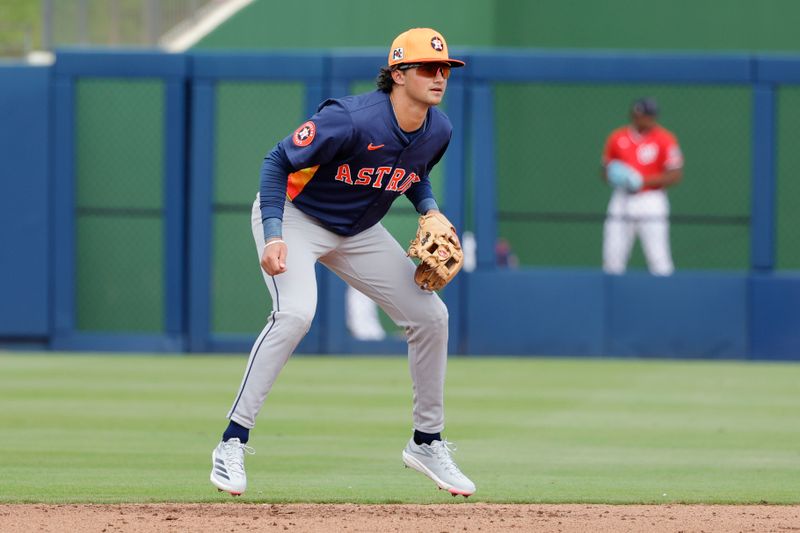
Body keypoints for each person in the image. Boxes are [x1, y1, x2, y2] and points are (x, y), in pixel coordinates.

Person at [209, 28, 476, 498]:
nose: (440, 77)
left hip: (357, 231)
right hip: (296, 216)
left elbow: (414, 172)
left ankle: (427, 442)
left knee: (431, 317)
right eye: (428, 68)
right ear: (397, 74)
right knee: (295, 315)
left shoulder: (439, 129)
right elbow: (276, 162)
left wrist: (429, 208)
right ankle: (232, 440)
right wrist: (273, 235)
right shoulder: (349, 120)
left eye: (445, 69)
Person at [601, 97, 684, 276]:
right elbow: (605, 170)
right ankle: (611, 299)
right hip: (622, 198)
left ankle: (665, 299)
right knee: (612, 257)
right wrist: (617, 176)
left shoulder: (665, 139)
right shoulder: (617, 137)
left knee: (658, 258)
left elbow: (675, 174)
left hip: (651, 200)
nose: (644, 119)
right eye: (639, 114)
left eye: (648, 115)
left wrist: (641, 181)